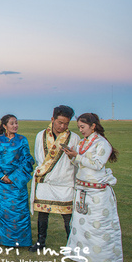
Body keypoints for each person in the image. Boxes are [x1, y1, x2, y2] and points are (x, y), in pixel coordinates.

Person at [63, 113, 123, 262]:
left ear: (93, 126)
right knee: (82, 226)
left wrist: (77, 156)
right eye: (79, 127)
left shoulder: (102, 144)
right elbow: (79, 164)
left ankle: (102, 259)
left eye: (83, 127)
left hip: (98, 192)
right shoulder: (82, 142)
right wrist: (71, 156)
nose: (81, 130)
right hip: (82, 189)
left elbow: (97, 164)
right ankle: (80, 255)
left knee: (99, 226)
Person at [29, 105, 80, 252]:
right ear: (52, 119)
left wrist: (72, 156)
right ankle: (40, 242)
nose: (62, 126)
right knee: (42, 213)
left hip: (65, 182)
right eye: (60, 122)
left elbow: (77, 161)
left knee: (67, 215)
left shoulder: (74, 138)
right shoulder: (41, 135)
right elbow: (39, 157)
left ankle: (72, 244)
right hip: (46, 180)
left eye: (66, 123)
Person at [0, 114, 34, 247]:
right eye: (12, 123)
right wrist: (2, 176)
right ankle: (0, 239)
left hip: (17, 181)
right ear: (4, 126)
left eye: (16, 123)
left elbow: (27, 159)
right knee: (2, 211)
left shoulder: (22, 140)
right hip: (1, 182)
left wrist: (14, 177)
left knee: (19, 212)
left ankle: (20, 240)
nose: (15, 126)